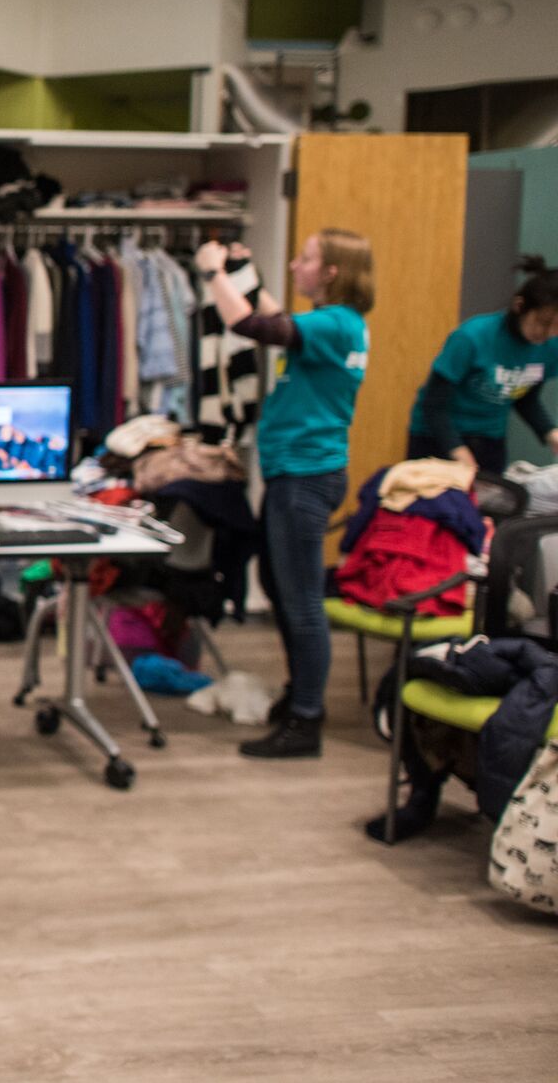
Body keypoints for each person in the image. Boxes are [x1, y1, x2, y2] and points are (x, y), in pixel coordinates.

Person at [197, 230, 374, 761]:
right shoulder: (338, 325)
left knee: (300, 603)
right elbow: (275, 318)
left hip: (303, 478)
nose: (297, 265)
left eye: (307, 259)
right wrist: (249, 274)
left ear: (333, 272)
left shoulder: (334, 323)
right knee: (281, 586)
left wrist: (213, 273)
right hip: (296, 475)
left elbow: (251, 325)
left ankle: (307, 719)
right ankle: (300, 698)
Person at [406, 255, 558, 473]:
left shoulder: (551, 346)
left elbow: (524, 398)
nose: (548, 334)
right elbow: (434, 404)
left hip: (489, 439)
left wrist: (550, 432)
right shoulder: (472, 337)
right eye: (542, 323)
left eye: (557, 327)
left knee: (489, 506)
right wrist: (456, 450)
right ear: (519, 306)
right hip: (436, 437)